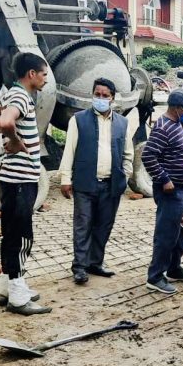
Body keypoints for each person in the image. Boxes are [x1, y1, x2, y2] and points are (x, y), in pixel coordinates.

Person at [0, 52, 52, 315]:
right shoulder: (20, 96)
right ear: (31, 74)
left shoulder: (11, 94)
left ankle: (8, 288)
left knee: (10, 235)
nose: (45, 79)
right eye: (43, 74)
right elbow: (6, 120)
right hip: (21, 180)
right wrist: (15, 140)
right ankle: (18, 298)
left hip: (11, 178)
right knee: (21, 237)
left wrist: (9, 135)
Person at [58, 77, 134, 285]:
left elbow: (128, 154)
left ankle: (95, 263)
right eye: (97, 94)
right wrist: (65, 178)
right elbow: (69, 150)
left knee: (104, 225)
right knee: (83, 225)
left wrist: (125, 175)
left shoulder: (122, 123)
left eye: (104, 95)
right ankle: (79, 267)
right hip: (85, 182)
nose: (100, 98)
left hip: (111, 184)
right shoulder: (78, 120)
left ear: (112, 98)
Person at [141, 89, 183, 294]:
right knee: (166, 233)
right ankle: (155, 276)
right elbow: (148, 156)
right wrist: (164, 179)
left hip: (181, 189)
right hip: (170, 191)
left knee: (182, 230)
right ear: (176, 108)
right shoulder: (163, 127)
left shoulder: (176, 124)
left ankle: (174, 267)